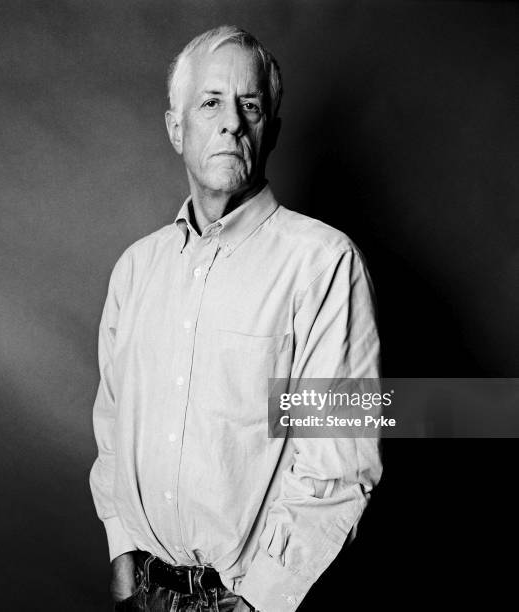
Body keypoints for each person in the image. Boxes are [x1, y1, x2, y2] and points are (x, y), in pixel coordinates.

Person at [90, 25, 382, 612]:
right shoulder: (134, 270)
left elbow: (341, 463)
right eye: (210, 102)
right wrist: (122, 553)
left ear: (269, 129)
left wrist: (262, 602)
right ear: (177, 129)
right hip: (141, 593)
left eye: (250, 105)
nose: (231, 121)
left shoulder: (324, 263)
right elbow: (113, 426)